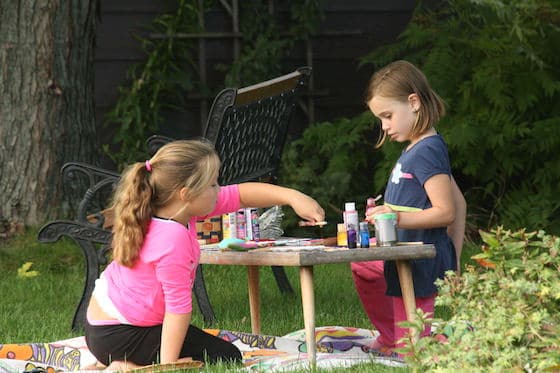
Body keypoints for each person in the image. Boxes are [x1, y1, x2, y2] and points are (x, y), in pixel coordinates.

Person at [84, 139, 325, 371]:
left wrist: (293, 197)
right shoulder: (172, 238)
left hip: (104, 329)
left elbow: (240, 195)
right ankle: (129, 367)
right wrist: (169, 366)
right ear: (186, 194)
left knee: (208, 350)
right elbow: (177, 309)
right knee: (227, 357)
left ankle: (129, 361)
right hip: (121, 336)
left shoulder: (166, 209)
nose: (218, 190)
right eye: (213, 184)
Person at [350, 60, 466, 357]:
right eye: (380, 119)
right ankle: (391, 336)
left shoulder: (428, 150)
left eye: (388, 116)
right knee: (363, 265)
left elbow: (446, 211)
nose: (384, 126)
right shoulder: (415, 148)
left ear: (413, 102)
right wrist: (387, 209)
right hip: (403, 252)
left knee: (411, 351)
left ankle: (410, 344)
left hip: (421, 257)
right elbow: (453, 200)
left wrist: (395, 216)